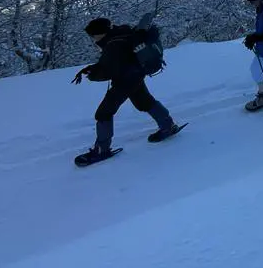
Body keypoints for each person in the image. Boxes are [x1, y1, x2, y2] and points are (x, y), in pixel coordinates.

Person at [72, 18, 181, 166]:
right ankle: (167, 125)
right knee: (144, 102)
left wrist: (92, 74)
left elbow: (109, 69)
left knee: (104, 112)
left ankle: (101, 150)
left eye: (93, 35)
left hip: (126, 80)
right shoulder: (121, 35)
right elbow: (116, 61)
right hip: (135, 75)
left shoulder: (113, 44)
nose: (93, 39)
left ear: (100, 33)